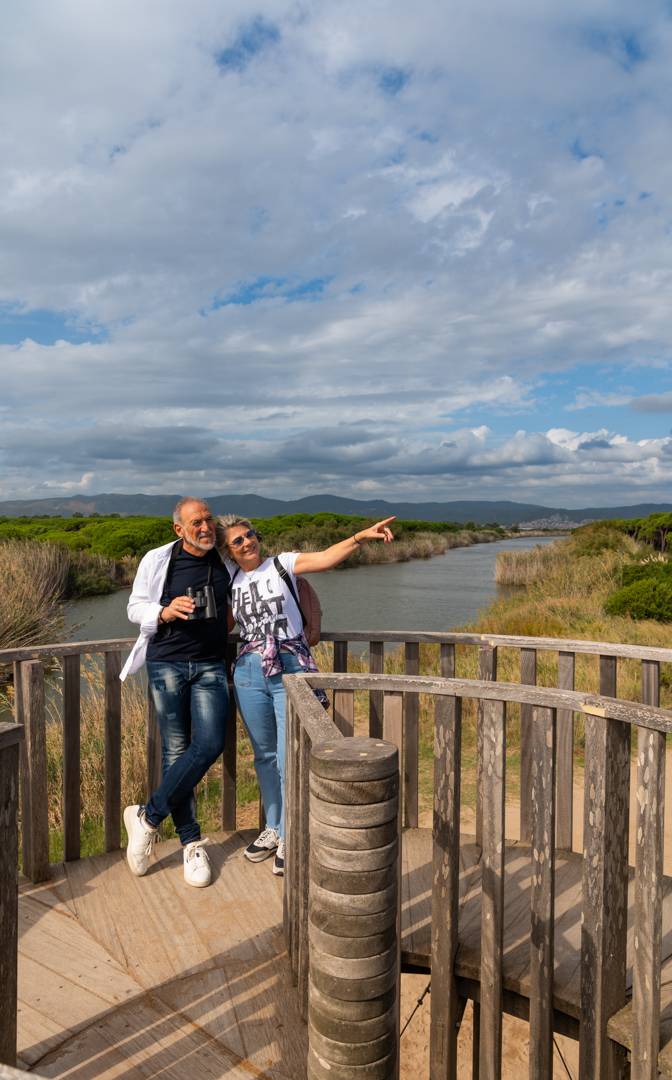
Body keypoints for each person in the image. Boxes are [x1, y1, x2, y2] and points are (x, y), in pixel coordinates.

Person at [217, 514, 395, 876]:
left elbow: (327, 557)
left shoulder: (281, 564)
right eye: (238, 541)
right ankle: (274, 826)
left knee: (288, 755)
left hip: (290, 667)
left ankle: (292, 832)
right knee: (265, 756)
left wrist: (360, 536)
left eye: (250, 534)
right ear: (228, 551)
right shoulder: (231, 580)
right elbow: (222, 625)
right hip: (250, 670)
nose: (248, 542)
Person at [119, 497, 230, 887]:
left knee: (212, 742)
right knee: (176, 750)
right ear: (178, 529)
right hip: (167, 662)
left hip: (211, 664)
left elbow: (260, 571)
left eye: (209, 520)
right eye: (196, 522)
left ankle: (147, 817)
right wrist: (164, 611)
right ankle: (191, 842)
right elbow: (135, 607)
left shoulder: (224, 556)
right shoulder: (158, 559)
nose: (205, 528)